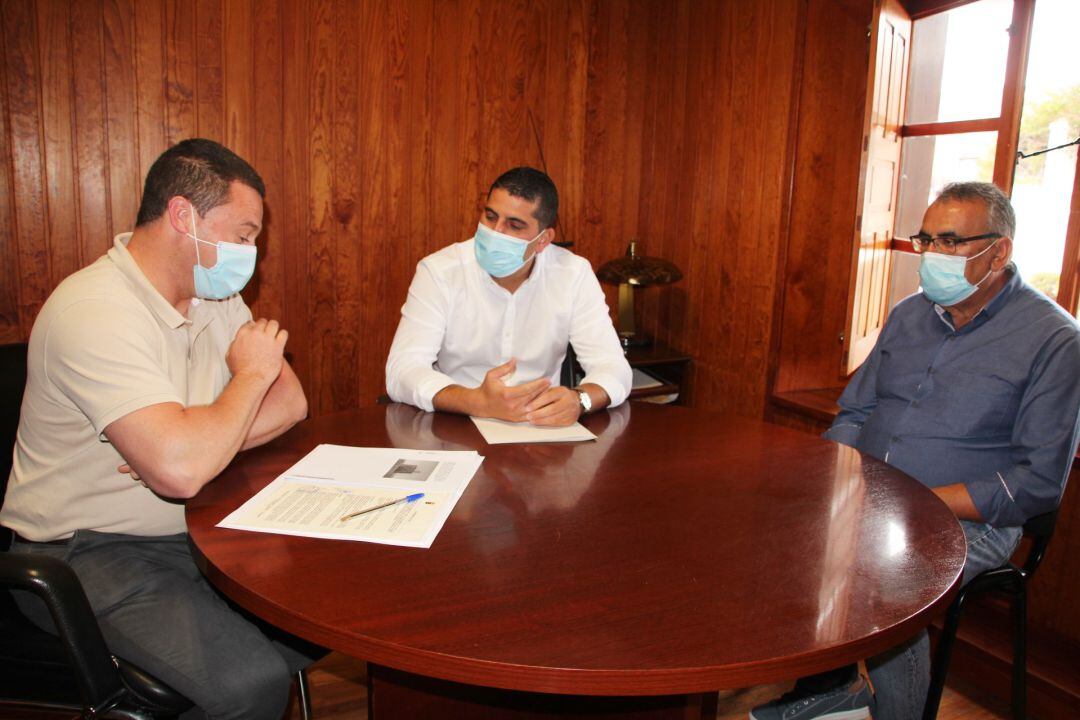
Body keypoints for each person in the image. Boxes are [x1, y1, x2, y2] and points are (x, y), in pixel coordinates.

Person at [0, 138, 318, 720]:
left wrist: (194, 437)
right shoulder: (93, 309)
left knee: (318, 624)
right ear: (182, 216)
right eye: (244, 234)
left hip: (190, 529)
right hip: (83, 553)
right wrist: (231, 398)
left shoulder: (213, 294)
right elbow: (186, 464)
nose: (252, 253)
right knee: (249, 683)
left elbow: (291, 402)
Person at [751, 181, 1080, 720]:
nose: (932, 256)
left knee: (881, 586)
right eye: (926, 239)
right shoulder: (910, 314)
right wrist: (827, 478)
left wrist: (918, 501)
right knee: (783, 537)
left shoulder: (1054, 340)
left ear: (998, 251)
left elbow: (1038, 481)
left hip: (971, 520)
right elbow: (856, 412)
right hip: (872, 497)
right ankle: (827, 694)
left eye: (950, 242)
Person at [385, 166, 632, 426]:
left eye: (514, 225)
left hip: (541, 429)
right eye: (490, 216)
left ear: (543, 240)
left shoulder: (573, 274)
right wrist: (475, 401)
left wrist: (580, 400)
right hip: (457, 423)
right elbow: (402, 370)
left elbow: (613, 367)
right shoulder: (440, 271)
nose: (496, 232)